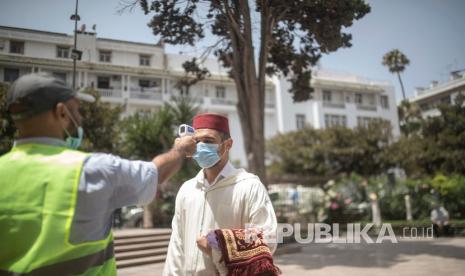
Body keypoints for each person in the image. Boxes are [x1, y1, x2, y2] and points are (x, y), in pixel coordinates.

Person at [0, 73, 196, 275]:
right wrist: (180, 149)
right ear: (61, 113)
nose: (81, 117)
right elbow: (157, 173)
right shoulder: (94, 170)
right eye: (76, 109)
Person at [163, 113, 278, 276]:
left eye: (208, 141)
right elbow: (176, 245)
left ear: (228, 145)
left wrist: (218, 247)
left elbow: (267, 237)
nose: (201, 146)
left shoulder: (248, 185)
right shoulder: (187, 190)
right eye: (196, 141)